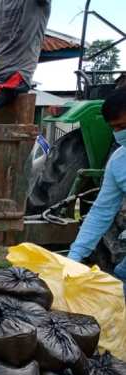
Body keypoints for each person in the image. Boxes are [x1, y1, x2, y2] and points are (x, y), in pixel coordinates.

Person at [68, 89, 126, 290]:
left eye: (123, 126)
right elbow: (102, 211)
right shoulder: (118, 162)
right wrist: (75, 255)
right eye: (115, 128)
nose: (119, 133)